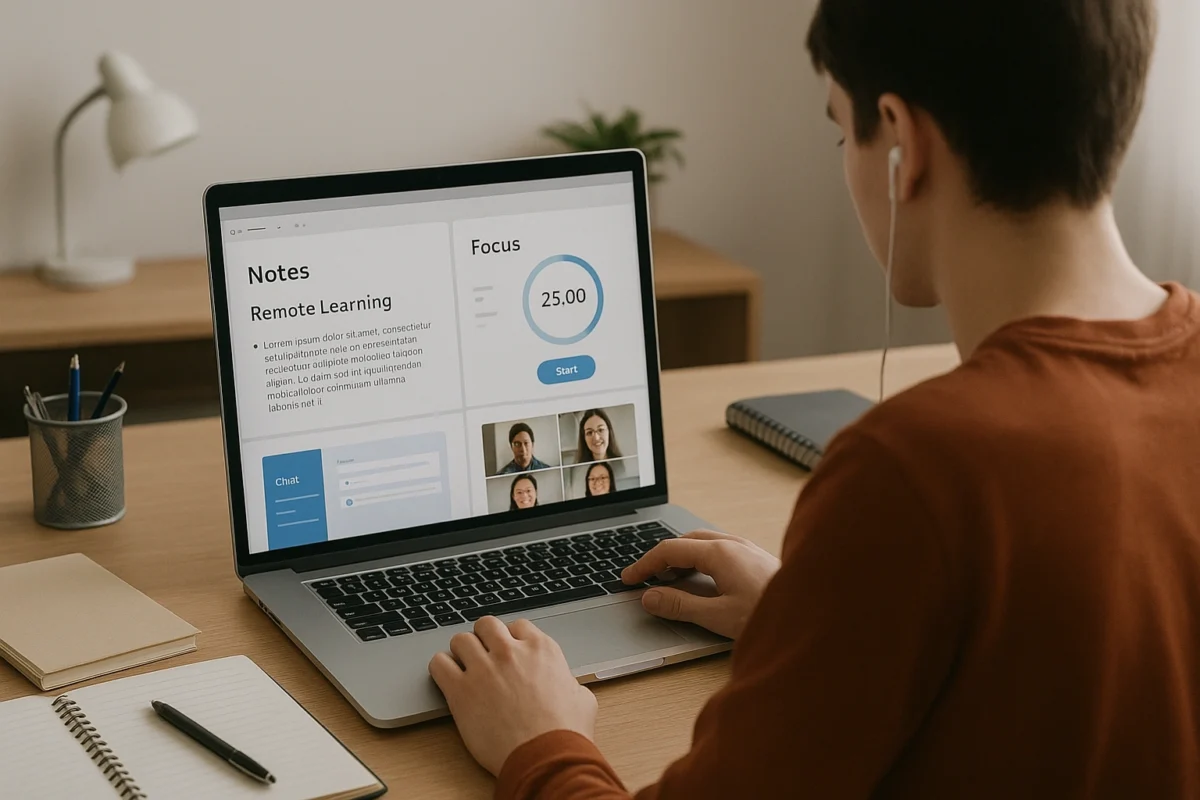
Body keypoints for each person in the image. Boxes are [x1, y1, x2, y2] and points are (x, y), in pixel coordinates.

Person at [429, 1, 1200, 797]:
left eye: (843, 131)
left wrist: (539, 741)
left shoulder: (915, 468)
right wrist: (816, 623)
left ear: (903, 142)